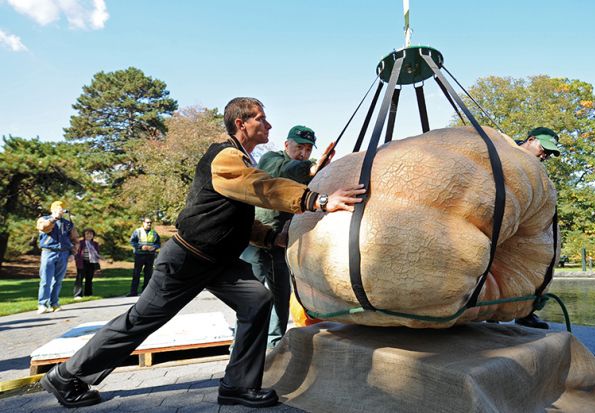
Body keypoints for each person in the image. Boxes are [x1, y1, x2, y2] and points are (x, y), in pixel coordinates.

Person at [40, 97, 365, 409]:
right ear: (241, 123)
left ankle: (238, 385)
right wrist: (318, 200)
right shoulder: (225, 157)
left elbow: (233, 218)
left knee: (257, 300)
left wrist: (270, 238)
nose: (268, 123)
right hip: (187, 259)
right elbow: (261, 188)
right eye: (260, 118)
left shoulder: (241, 160)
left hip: (219, 262)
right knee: (141, 320)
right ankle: (66, 376)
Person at [240, 125, 335, 348]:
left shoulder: (307, 172)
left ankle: (273, 351)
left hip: (281, 245)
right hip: (256, 241)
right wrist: (311, 168)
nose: (303, 153)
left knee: (280, 301)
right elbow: (283, 172)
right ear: (286, 145)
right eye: (299, 147)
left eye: (308, 149)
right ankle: (241, 350)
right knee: (248, 300)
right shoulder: (272, 159)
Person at [515, 126, 561, 329]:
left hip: (525, 223)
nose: (546, 155)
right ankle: (489, 312)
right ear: (531, 139)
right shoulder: (504, 150)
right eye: (545, 148)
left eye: (550, 153)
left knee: (539, 263)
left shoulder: (536, 167)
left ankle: (526, 312)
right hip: (502, 217)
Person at [36, 201, 79, 314]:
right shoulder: (43, 219)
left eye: (62, 209)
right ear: (52, 210)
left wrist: (72, 253)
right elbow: (44, 228)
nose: (60, 211)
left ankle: (54, 303)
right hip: (48, 252)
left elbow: (75, 240)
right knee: (46, 280)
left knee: (58, 281)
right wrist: (53, 219)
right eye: (58, 209)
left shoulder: (68, 224)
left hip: (64, 254)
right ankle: (42, 305)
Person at [128, 217, 160, 296]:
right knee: (136, 274)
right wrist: (141, 247)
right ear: (143, 223)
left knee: (148, 274)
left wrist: (154, 247)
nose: (149, 224)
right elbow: (132, 242)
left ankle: (145, 292)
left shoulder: (154, 233)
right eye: (147, 222)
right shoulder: (137, 231)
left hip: (150, 256)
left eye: (150, 222)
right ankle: (133, 292)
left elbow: (158, 243)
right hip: (139, 255)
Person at [73, 228, 101, 299]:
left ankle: (88, 294)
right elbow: (77, 253)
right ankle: (78, 294)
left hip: (91, 263)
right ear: (84, 235)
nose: (89, 235)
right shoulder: (80, 243)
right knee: (79, 279)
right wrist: (77, 260)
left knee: (89, 279)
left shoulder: (95, 244)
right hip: (82, 262)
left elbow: (97, 253)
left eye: (91, 234)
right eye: (87, 234)